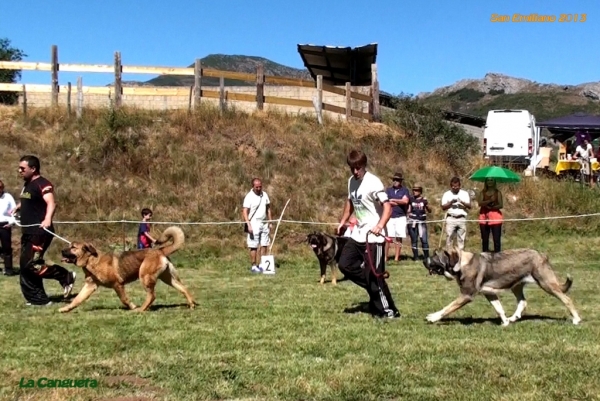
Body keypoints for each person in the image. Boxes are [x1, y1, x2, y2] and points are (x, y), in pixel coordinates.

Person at [336, 149, 400, 319]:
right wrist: (343, 221)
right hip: (358, 234)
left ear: (364, 166)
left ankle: (389, 311)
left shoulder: (374, 182)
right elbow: (350, 202)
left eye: (358, 168)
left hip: (374, 237)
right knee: (344, 264)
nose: (355, 172)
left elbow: (387, 207)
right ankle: (373, 288)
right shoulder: (351, 181)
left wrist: (380, 225)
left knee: (375, 276)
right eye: (352, 168)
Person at [12, 155, 76, 306]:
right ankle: (36, 299)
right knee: (25, 265)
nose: (19, 170)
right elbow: (30, 199)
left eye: (23, 168)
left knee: (31, 265)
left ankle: (65, 276)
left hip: (40, 232)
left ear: (33, 169)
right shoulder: (27, 184)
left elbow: (51, 203)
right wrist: (19, 207)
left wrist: (47, 219)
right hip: (28, 232)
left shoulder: (43, 183)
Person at [242, 178, 273, 273]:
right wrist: (248, 224)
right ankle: (254, 265)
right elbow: (245, 211)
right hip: (254, 223)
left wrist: (270, 221)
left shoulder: (265, 195)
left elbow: (268, 209)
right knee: (253, 245)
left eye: (260, 186)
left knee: (264, 244)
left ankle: (262, 264)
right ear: (253, 186)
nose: (259, 188)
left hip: (264, 222)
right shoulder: (249, 196)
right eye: (257, 187)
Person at [440, 176, 471, 251]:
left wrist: (462, 202)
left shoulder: (465, 193)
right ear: (451, 186)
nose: (455, 188)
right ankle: (449, 254)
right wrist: (451, 203)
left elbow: (469, 206)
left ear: (459, 186)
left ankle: (460, 254)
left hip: (461, 218)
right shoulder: (447, 194)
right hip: (451, 218)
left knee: (461, 238)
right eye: (453, 186)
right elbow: (443, 207)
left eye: (456, 186)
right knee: (449, 237)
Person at [385, 172, 409, 262]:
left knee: (399, 237)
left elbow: (405, 201)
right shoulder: (388, 190)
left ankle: (396, 257)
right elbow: (386, 201)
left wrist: (394, 200)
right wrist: (398, 201)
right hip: (390, 216)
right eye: (394, 179)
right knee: (388, 237)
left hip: (400, 216)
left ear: (401, 181)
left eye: (397, 180)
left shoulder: (405, 190)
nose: (395, 181)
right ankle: (385, 257)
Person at [477, 178, 503, 253]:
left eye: (492, 180)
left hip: (495, 218)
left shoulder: (498, 193)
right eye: (488, 180)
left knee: (496, 239)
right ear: (486, 182)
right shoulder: (482, 192)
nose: (490, 182)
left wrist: (492, 207)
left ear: (494, 182)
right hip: (483, 217)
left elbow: (501, 205)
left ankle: (497, 257)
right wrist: (489, 201)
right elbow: (480, 203)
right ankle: (485, 255)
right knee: (484, 239)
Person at [407, 183, 431, 261]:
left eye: (417, 190)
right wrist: (408, 214)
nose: (415, 192)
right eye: (414, 190)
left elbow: (429, 210)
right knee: (414, 240)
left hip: (421, 221)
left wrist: (427, 205)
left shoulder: (424, 200)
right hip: (412, 221)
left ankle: (427, 257)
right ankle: (416, 257)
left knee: (424, 240)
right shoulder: (411, 199)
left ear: (420, 191)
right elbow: (409, 209)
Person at [0, 180, 17, 276]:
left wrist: (11, 222)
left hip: (4, 225)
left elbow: (13, 211)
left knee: (7, 248)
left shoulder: (8, 197)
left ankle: (9, 269)